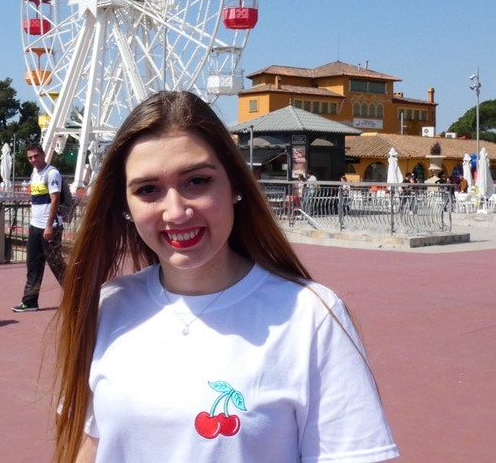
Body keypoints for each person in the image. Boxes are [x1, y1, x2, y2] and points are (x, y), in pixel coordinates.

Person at [53, 91, 398, 463]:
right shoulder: (110, 305)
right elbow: (91, 444)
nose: (175, 212)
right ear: (125, 206)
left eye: (197, 181)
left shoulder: (311, 317)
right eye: (148, 190)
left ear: (235, 184)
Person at [11, 143, 66, 312]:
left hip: (50, 227)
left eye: (36, 156)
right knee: (33, 264)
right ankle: (30, 301)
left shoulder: (52, 173)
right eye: (30, 157)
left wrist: (49, 226)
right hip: (35, 226)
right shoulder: (35, 173)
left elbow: (55, 199)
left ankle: (79, 294)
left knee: (56, 264)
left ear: (43, 155)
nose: (33, 160)